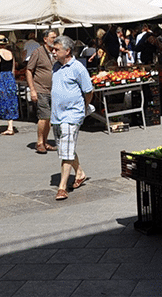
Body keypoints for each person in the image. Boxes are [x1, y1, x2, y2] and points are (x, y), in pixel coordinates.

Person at [49, 35, 92, 201]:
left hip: (72, 115)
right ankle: (79, 173)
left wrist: (83, 108)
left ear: (67, 51)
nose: (53, 52)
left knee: (65, 152)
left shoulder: (78, 68)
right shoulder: (56, 67)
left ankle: (62, 187)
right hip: (57, 115)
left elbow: (88, 91)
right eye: (53, 49)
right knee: (65, 148)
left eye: (56, 49)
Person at [27, 29, 58, 154]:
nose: (55, 39)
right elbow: (29, 70)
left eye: (56, 37)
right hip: (41, 89)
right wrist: (32, 90)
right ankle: (40, 142)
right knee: (44, 116)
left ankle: (45, 141)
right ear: (45, 39)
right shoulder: (38, 52)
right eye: (52, 37)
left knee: (49, 118)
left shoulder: (56, 52)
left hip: (53, 90)